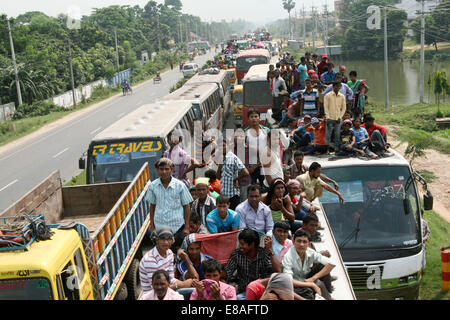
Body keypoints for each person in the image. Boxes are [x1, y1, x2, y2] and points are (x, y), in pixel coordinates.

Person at [225, 229, 280, 299]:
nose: (240, 246)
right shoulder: (237, 254)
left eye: (242, 244)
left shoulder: (264, 254)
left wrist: (270, 250)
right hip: (243, 291)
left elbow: (278, 270)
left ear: (252, 244)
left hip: (262, 291)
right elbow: (228, 272)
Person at [282, 230, 335, 300]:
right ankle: (328, 297)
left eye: (304, 242)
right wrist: (311, 284)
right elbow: (288, 280)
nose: (301, 244)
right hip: (293, 285)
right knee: (318, 284)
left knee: (322, 266)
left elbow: (331, 264)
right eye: (299, 241)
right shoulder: (288, 256)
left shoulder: (310, 252)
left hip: (306, 278)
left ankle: (328, 295)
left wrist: (313, 278)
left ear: (309, 244)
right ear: (293, 242)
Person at [139, 226, 192, 294]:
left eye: (169, 239)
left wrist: (186, 283)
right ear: (156, 240)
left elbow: (171, 278)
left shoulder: (169, 253)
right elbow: (157, 289)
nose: (166, 242)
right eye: (163, 239)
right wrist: (182, 285)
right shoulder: (150, 260)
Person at [148, 158, 193, 235]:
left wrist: (187, 227)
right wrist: (152, 225)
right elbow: (152, 206)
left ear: (172, 169)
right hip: (159, 227)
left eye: (167, 169)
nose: (164, 172)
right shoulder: (153, 186)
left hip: (177, 226)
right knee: (161, 246)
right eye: (161, 169)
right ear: (157, 170)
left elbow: (186, 206)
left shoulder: (180, 185)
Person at [217, 140, 250, 210]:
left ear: (228, 146)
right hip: (224, 195)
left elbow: (245, 172)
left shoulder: (233, 158)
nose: (221, 148)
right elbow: (218, 178)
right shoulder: (223, 159)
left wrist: (236, 179)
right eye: (219, 146)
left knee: (233, 216)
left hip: (232, 195)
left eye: (223, 145)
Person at [245, 109, 270, 188]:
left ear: (259, 118)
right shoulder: (245, 133)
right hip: (251, 167)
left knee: (266, 187)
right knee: (252, 189)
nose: (254, 118)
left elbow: (271, 146)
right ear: (248, 119)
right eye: (251, 117)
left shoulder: (266, 131)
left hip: (265, 165)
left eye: (256, 116)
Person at [324, 82, 347, 152]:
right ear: (333, 87)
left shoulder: (342, 96)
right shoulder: (328, 95)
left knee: (337, 134)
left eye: (339, 86)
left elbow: (344, 108)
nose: (338, 88)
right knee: (328, 134)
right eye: (336, 86)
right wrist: (327, 117)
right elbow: (326, 107)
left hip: (338, 118)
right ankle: (327, 149)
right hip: (329, 118)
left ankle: (336, 148)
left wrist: (340, 117)